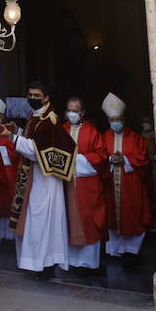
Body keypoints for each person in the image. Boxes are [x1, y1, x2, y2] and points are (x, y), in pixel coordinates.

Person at [4, 87, 74, 278]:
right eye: (30, 95)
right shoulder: (36, 117)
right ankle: (37, 264)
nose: (32, 98)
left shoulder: (49, 120)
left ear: (46, 98)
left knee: (42, 221)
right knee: (34, 221)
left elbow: (38, 150)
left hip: (45, 179)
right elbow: (32, 139)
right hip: (34, 177)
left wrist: (11, 137)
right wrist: (16, 131)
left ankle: (45, 265)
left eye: (37, 96)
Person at [102, 92, 154, 259]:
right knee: (111, 217)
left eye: (118, 120)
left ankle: (131, 251)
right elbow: (99, 156)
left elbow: (143, 159)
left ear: (124, 120)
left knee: (132, 216)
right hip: (111, 183)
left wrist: (124, 159)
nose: (115, 123)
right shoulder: (104, 137)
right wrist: (110, 159)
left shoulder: (135, 138)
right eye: (112, 120)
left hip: (131, 184)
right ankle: (114, 251)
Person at [63, 96, 108, 273]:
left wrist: (79, 159)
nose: (71, 113)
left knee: (88, 221)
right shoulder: (61, 130)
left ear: (82, 113)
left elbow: (101, 156)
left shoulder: (93, 131)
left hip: (86, 185)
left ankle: (88, 264)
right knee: (69, 220)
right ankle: (71, 262)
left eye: (75, 110)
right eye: (69, 110)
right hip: (66, 184)